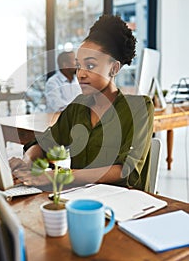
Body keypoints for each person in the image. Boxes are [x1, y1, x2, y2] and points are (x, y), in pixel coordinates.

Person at [10, 15, 154, 191]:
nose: (80, 74)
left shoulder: (139, 107)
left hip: (126, 206)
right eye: (79, 66)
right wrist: (26, 163)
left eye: (91, 66)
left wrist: (61, 176)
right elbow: (43, 144)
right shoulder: (78, 106)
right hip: (79, 201)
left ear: (114, 68)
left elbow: (126, 171)